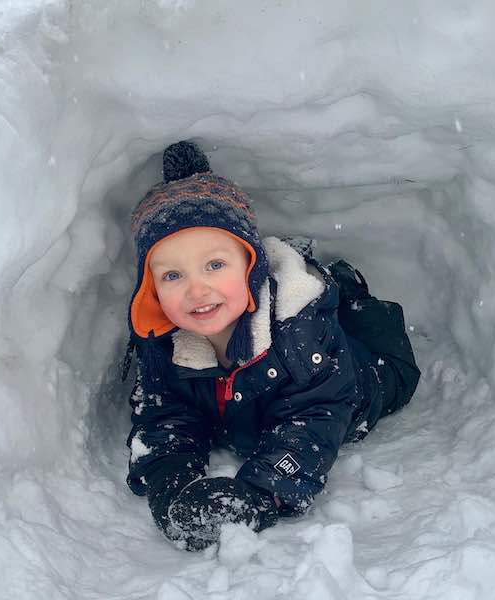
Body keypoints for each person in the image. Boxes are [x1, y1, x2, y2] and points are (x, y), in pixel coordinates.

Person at [122, 140, 420, 551]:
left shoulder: (300, 334)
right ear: (151, 290)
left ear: (251, 264)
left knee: (393, 371)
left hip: (365, 374)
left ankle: (346, 290)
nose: (197, 289)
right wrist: (172, 487)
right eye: (172, 275)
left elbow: (316, 418)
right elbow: (165, 418)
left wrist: (260, 492)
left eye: (215, 265)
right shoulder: (166, 346)